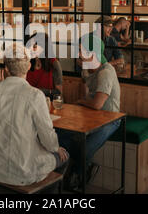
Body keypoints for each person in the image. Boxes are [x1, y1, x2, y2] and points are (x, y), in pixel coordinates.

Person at [0, 44, 69, 186]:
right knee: (63, 156)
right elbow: (46, 134)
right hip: (20, 171)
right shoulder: (35, 95)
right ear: (28, 66)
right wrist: (56, 148)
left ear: (6, 68)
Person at [58, 33, 121, 190]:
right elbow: (88, 96)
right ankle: (84, 168)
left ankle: (78, 173)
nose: (78, 54)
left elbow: (97, 104)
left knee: (85, 147)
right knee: (59, 134)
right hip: (91, 115)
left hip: (111, 119)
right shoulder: (88, 70)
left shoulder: (106, 72)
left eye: (82, 50)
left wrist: (80, 102)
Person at [26, 32, 63, 99]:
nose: (30, 49)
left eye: (34, 46)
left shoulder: (54, 63)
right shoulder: (28, 62)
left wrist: (39, 91)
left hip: (47, 102)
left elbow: (59, 92)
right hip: (29, 101)